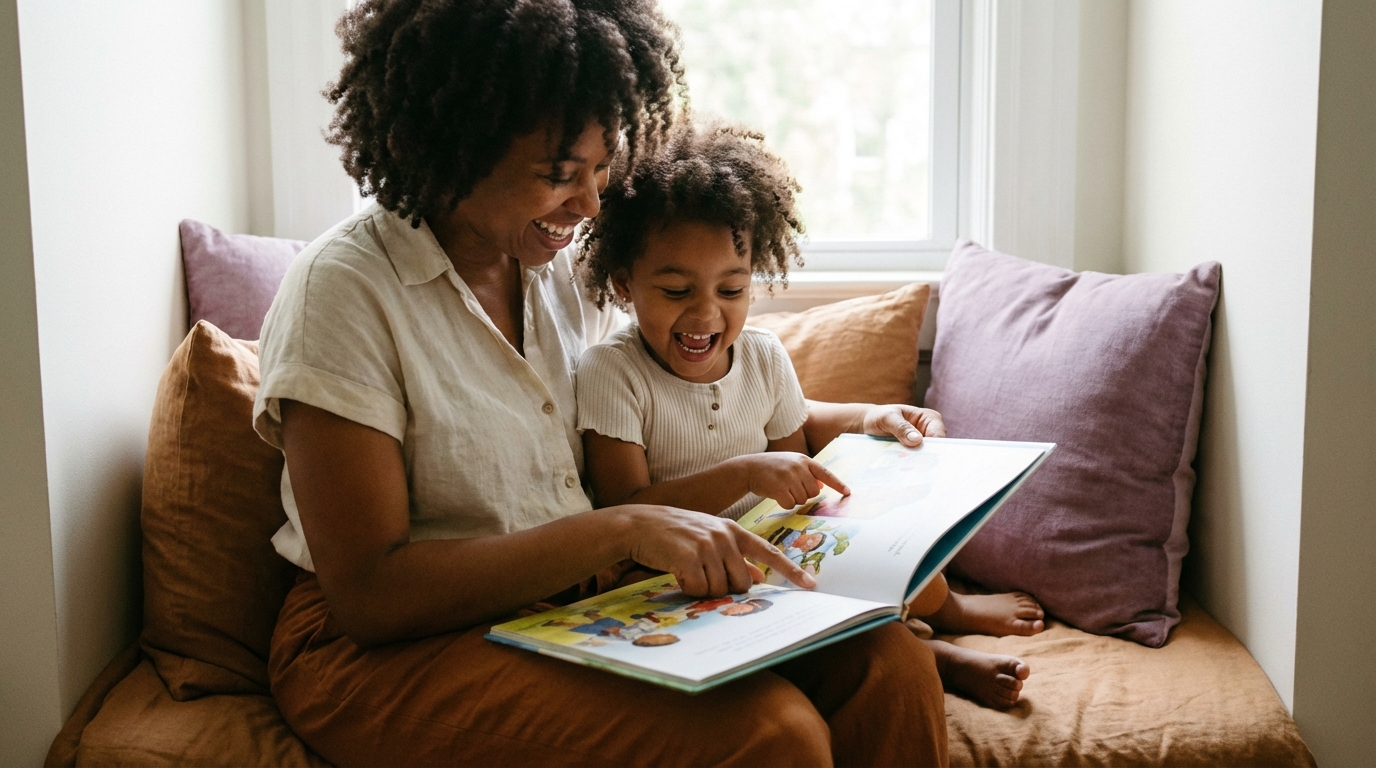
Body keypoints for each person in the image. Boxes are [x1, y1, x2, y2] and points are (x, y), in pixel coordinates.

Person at [253, 1, 949, 765]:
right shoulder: (344, 290)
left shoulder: (555, 267)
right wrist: (622, 529)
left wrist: (852, 421)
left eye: (600, 169)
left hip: (582, 604)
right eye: (558, 176)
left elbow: (692, 391)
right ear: (457, 147)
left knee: (891, 665)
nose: (587, 205)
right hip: (384, 651)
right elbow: (370, 595)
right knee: (770, 737)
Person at [575, 119, 1044, 709]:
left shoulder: (765, 356)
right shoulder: (610, 372)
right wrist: (744, 474)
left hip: (778, 543)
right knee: (784, 617)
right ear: (624, 283)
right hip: (680, 568)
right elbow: (623, 512)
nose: (705, 315)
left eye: (731, 290)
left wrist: (858, 451)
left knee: (880, 549)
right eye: (675, 291)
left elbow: (797, 478)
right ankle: (935, 656)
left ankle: (945, 612)